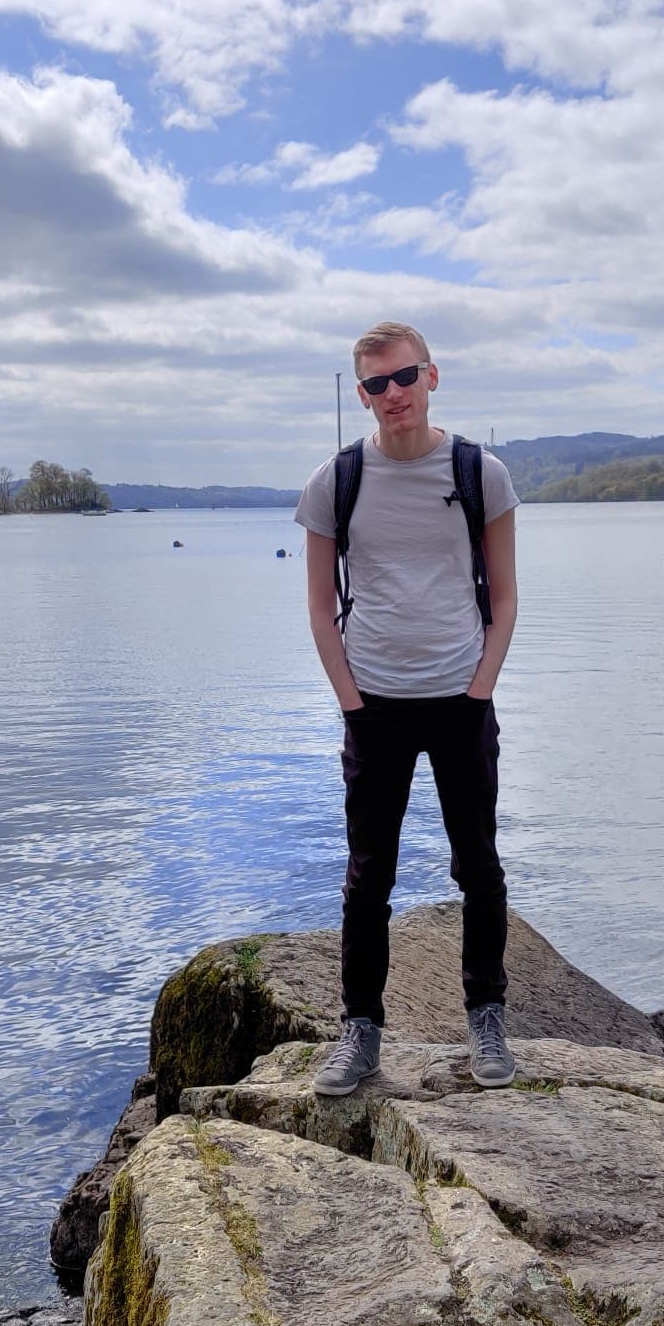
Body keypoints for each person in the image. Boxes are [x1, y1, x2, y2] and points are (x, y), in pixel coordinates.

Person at [294, 320, 520, 1095]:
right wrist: (351, 704)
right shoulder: (337, 481)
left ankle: (486, 1017)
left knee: (478, 867)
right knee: (369, 877)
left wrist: (481, 687)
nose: (393, 394)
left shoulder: (479, 473)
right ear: (362, 395)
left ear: (432, 376)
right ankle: (361, 1030)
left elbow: (505, 596)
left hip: (461, 699)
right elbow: (320, 609)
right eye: (376, 384)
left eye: (404, 376)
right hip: (376, 706)